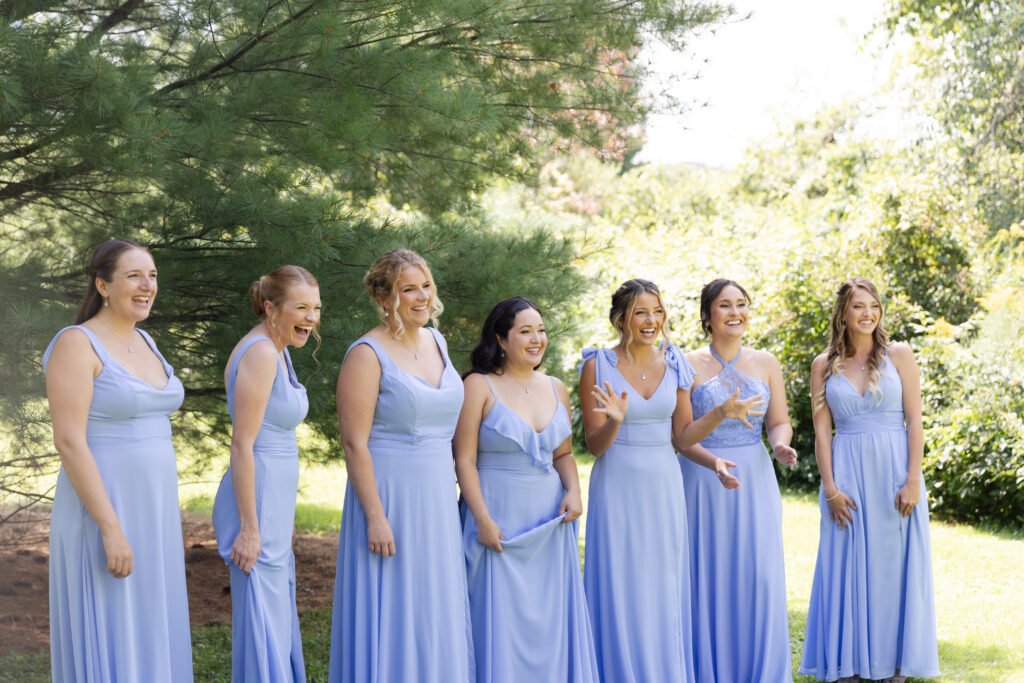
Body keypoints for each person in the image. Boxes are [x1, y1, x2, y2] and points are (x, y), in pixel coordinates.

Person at [578, 278, 764, 682]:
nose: (651, 321)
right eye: (640, 312)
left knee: (663, 585)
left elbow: (681, 437)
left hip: (664, 487)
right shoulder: (597, 364)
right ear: (619, 319)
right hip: (617, 486)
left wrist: (720, 414)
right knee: (620, 585)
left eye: (657, 311)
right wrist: (614, 422)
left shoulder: (674, 361)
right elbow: (595, 446)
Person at [43, 239, 192, 681]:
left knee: (150, 618)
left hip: (154, 510)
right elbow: (69, 441)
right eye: (134, 276)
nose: (148, 285)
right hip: (104, 509)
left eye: (153, 276)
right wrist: (110, 529)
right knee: (111, 621)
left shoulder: (145, 340)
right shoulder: (77, 343)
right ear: (103, 286)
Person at [328, 249, 473, 682]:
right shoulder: (366, 354)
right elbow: (354, 443)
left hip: (436, 498)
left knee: (434, 604)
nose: (422, 296)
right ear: (383, 296)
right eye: (408, 288)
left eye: (425, 285)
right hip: (389, 497)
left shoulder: (437, 342)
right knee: (393, 603)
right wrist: (375, 518)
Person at [799, 277, 940, 683]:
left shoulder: (899, 354)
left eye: (873, 305)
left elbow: (915, 420)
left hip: (895, 471)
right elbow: (822, 430)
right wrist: (830, 488)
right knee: (845, 563)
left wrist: (913, 479)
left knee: (894, 565)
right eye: (858, 306)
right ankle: (849, 663)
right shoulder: (823, 365)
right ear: (843, 313)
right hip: (846, 475)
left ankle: (897, 665)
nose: (867, 313)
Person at [454, 297, 599, 683]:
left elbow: (563, 454)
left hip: (549, 523)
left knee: (548, 621)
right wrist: (482, 519)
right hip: (497, 518)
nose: (537, 339)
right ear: (501, 339)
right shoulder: (478, 386)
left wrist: (574, 491)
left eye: (541, 330)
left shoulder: (555, 388)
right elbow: (464, 460)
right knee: (497, 616)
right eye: (525, 331)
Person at [678, 279, 798, 682]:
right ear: (707, 316)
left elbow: (779, 422)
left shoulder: (766, 362)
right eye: (725, 305)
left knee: (759, 574)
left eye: (741, 304)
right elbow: (680, 437)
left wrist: (780, 446)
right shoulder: (685, 363)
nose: (735, 313)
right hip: (702, 477)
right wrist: (713, 462)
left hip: (755, 476)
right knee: (706, 574)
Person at [212, 265, 321, 682]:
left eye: (316, 308)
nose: (311, 318)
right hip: (254, 498)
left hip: (272, 499)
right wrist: (250, 528)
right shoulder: (260, 352)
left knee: (274, 614)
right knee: (262, 615)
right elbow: (243, 445)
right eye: (301, 307)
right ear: (272, 307)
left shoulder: (278, 348)